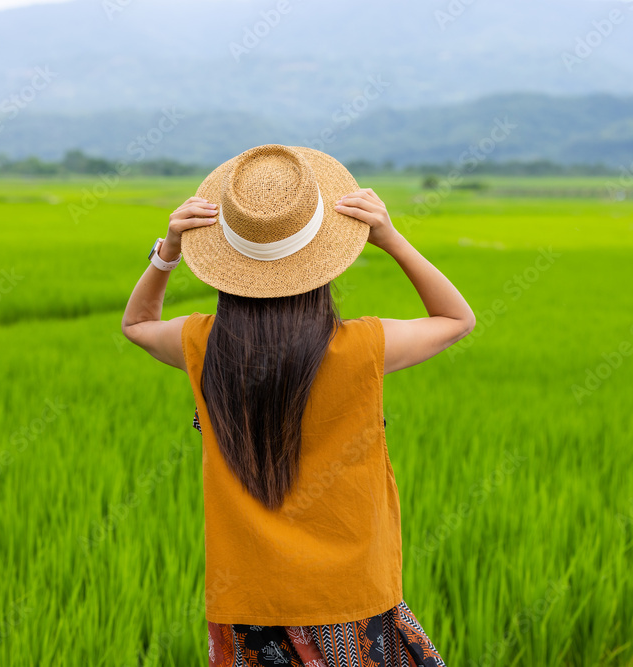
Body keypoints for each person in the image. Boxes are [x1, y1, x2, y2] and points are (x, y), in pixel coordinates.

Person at [121, 144, 475, 666]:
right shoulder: (361, 348)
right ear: (324, 262)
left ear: (227, 266)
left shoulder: (203, 345)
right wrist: (391, 238)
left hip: (247, 600)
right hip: (352, 596)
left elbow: (136, 325)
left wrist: (168, 250)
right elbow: (455, 320)